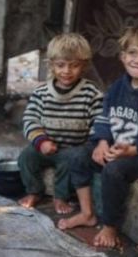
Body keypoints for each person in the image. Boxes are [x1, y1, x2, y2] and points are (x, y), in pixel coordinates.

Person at [57, 25, 138, 248]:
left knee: (114, 171)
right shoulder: (119, 86)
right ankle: (87, 213)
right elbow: (104, 118)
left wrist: (133, 150)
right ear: (123, 56)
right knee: (77, 156)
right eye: (133, 53)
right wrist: (102, 142)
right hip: (117, 147)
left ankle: (110, 225)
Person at [17, 33, 103, 213]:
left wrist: (90, 147)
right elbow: (30, 119)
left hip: (75, 149)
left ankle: (60, 197)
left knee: (71, 160)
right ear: (51, 65)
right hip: (46, 146)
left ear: (84, 65)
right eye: (60, 65)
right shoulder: (42, 92)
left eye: (74, 66)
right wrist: (41, 141)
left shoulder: (91, 93)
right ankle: (34, 191)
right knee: (26, 157)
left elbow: (99, 121)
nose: (66, 71)